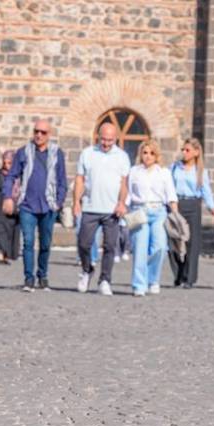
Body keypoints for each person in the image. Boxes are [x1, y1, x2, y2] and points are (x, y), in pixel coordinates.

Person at [4, 119, 68, 292]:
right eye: (36, 131)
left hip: (48, 206)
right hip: (27, 205)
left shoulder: (57, 153)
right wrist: (8, 196)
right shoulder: (23, 152)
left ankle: (43, 275)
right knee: (28, 242)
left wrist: (59, 202)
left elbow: (62, 180)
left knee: (46, 244)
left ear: (49, 134)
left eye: (43, 132)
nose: (39, 135)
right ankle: (28, 278)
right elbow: (11, 176)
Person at [74, 121, 130, 295]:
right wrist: (76, 201)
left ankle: (105, 279)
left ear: (115, 139)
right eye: (103, 139)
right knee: (83, 243)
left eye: (110, 140)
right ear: (98, 136)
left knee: (110, 246)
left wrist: (122, 202)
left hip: (111, 209)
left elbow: (124, 183)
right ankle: (87, 269)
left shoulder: (122, 157)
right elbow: (80, 179)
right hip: (90, 206)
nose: (106, 143)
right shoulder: (87, 153)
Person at [126, 140, 178, 297]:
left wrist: (176, 216)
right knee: (140, 249)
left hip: (159, 212)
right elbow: (127, 193)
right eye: (145, 153)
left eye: (152, 153)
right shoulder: (134, 171)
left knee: (160, 247)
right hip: (139, 211)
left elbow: (171, 195)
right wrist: (123, 209)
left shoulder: (164, 172)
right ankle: (139, 284)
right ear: (140, 154)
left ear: (157, 155)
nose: (148, 156)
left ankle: (153, 279)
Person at [170, 137, 214, 288]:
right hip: (177, 204)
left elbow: (206, 190)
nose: (184, 152)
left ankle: (189, 278)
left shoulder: (200, 171)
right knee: (173, 241)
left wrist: (212, 207)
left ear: (196, 152)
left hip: (193, 205)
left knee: (192, 243)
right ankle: (178, 274)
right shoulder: (175, 167)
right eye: (183, 149)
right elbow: (168, 185)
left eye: (187, 150)